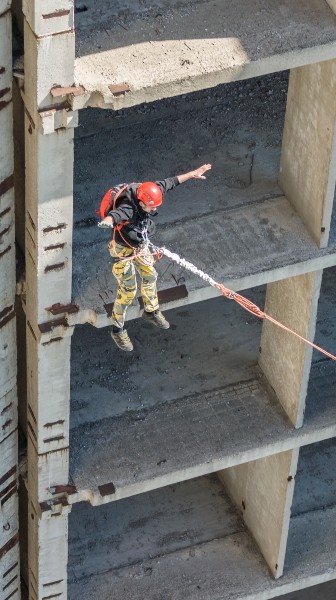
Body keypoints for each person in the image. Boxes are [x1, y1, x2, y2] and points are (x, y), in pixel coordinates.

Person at [99, 163, 211, 351]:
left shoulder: (150, 191)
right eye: (151, 208)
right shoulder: (128, 209)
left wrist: (192, 174)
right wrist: (107, 222)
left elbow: (171, 182)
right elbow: (115, 215)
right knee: (128, 290)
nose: (154, 210)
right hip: (123, 251)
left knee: (150, 276)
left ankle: (151, 311)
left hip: (140, 246)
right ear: (142, 204)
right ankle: (117, 329)